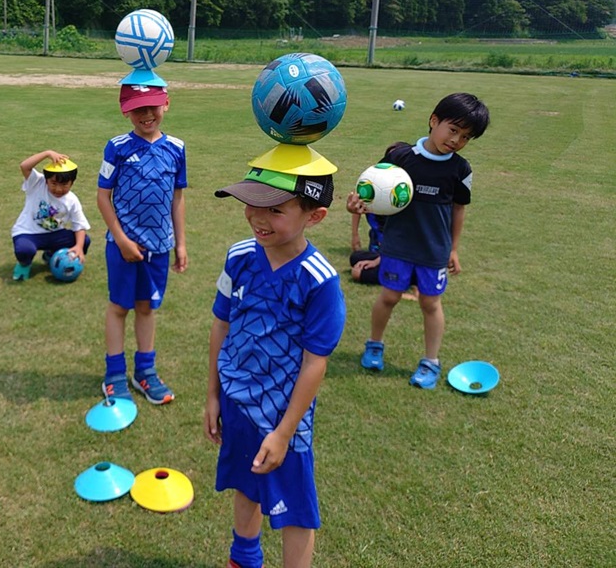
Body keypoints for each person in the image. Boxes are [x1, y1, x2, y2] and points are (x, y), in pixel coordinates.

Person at [205, 165, 345, 568]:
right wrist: (213, 394)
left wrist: (284, 433)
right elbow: (221, 323)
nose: (257, 217)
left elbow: (315, 362)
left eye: (276, 210)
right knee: (246, 482)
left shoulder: (319, 281)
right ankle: (244, 558)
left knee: (296, 510)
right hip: (235, 399)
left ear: (314, 216)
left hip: (284, 417)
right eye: (251, 203)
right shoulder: (239, 256)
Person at [348, 92, 490, 389]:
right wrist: (356, 204)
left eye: (465, 137)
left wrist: (453, 248)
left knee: (430, 303)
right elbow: (370, 192)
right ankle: (374, 345)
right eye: (453, 130)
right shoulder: (400, 157)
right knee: (388, 296)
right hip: (397, 246)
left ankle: (430, 362)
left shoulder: (460, 170)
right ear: (433, 121)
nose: (456, 140)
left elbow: (458, 209)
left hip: (433, 250)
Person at [97, 83, 187, 405]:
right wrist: (120, 239)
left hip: (159, 247)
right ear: (126, 112)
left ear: (166, 104)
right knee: (120, 307)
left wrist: (180, 243)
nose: (146, 115)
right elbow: (103, 197)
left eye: (153, 107)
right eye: (138, 108)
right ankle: (115, 374)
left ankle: (145, 373)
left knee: (147, 308)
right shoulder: (117, 147)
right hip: (123, 247)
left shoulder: (177, 148)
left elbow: (177, 199)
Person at [10, 149, 92, 281]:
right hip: (28, 232)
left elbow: (79, 225)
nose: (58, 189)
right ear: (46, 180)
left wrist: (78, 247)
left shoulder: (72, 200)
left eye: (64, 185)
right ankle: (24, 264)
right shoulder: (37, 184)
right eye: (53, 183)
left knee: (84, 241)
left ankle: (52, 255)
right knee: (25, 250)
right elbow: (24, 166)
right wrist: (47, 153)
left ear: (72, 182)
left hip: (54, 234)